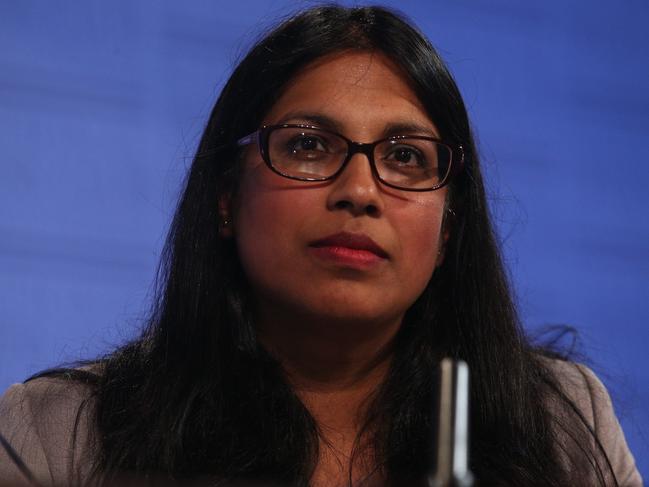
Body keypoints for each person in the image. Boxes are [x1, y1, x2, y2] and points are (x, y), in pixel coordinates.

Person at [0, 5, 642, 487]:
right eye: (308, 145)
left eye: (406, 157)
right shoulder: (59, 433)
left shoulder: (559, 423)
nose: (360, 190)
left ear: (447, 231)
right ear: (226, 199)